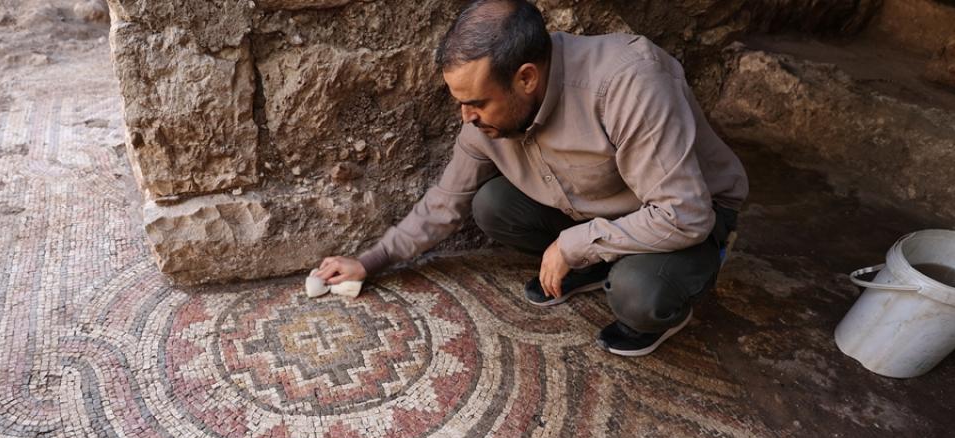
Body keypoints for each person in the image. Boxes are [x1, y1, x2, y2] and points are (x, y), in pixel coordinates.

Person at [313, 0, 748, 356]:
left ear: (526, 78)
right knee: (492, 205)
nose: (466, 117)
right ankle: (596, 263)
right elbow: (446, 201)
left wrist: (572, 244)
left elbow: (684, 214)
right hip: (595, 207)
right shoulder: (484, 119)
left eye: (477, 102)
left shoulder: (628, 82)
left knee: (639, 295)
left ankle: (663, 290)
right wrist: (371, 260)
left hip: (689, 215)